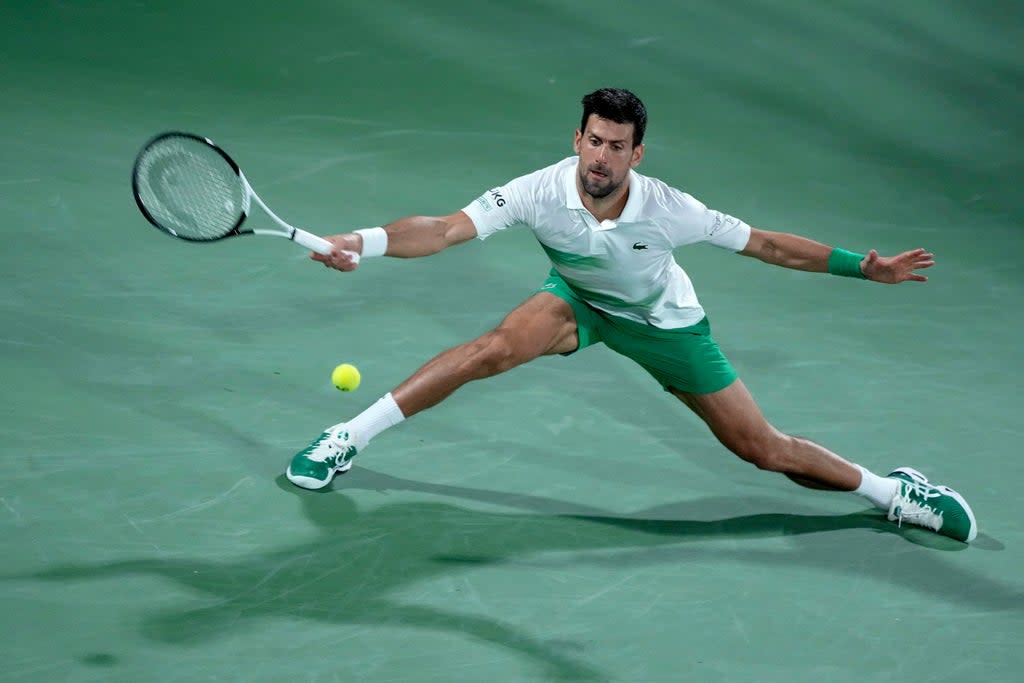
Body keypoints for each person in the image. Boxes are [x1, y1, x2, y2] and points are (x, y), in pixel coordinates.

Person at [286, 88, 977, 543]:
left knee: (762, 448)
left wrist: (865, 265)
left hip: (664, 325)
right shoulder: (538, 191)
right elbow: (440, 230)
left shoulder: (671, 208)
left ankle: (894, 492)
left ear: (636, 154)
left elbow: (767, 244)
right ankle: (347, 435)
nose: (601, 157)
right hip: (578, 302)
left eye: (617, 146)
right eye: (593, 141)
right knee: (491, 348)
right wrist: (363, 243)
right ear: (578, 138)